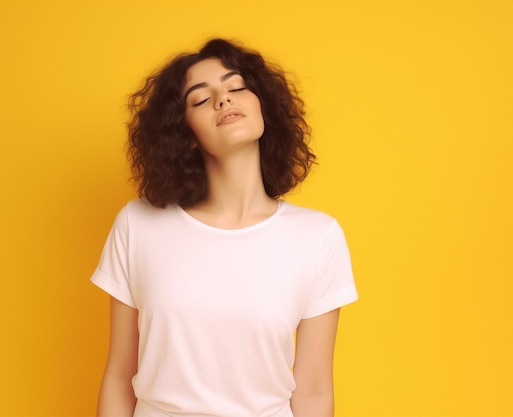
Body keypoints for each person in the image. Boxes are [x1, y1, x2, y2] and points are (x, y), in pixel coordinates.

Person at [90, 38, 358, 417]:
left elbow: (313, 392)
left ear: (263, 105)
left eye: (237, 87)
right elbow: (119, 375)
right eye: (200, 99)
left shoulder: (317, 237)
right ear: (184, 134)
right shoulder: (138, 225)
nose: (223, 100)